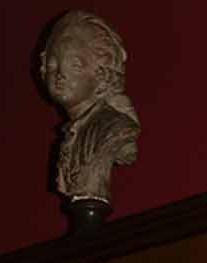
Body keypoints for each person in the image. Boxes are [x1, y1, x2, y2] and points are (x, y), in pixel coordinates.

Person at [40, 12, 140, 207]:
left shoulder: (111, 127)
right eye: (53, 65)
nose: (60, 74)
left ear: (101, 75)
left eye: (74, 65)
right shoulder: (73, 131)